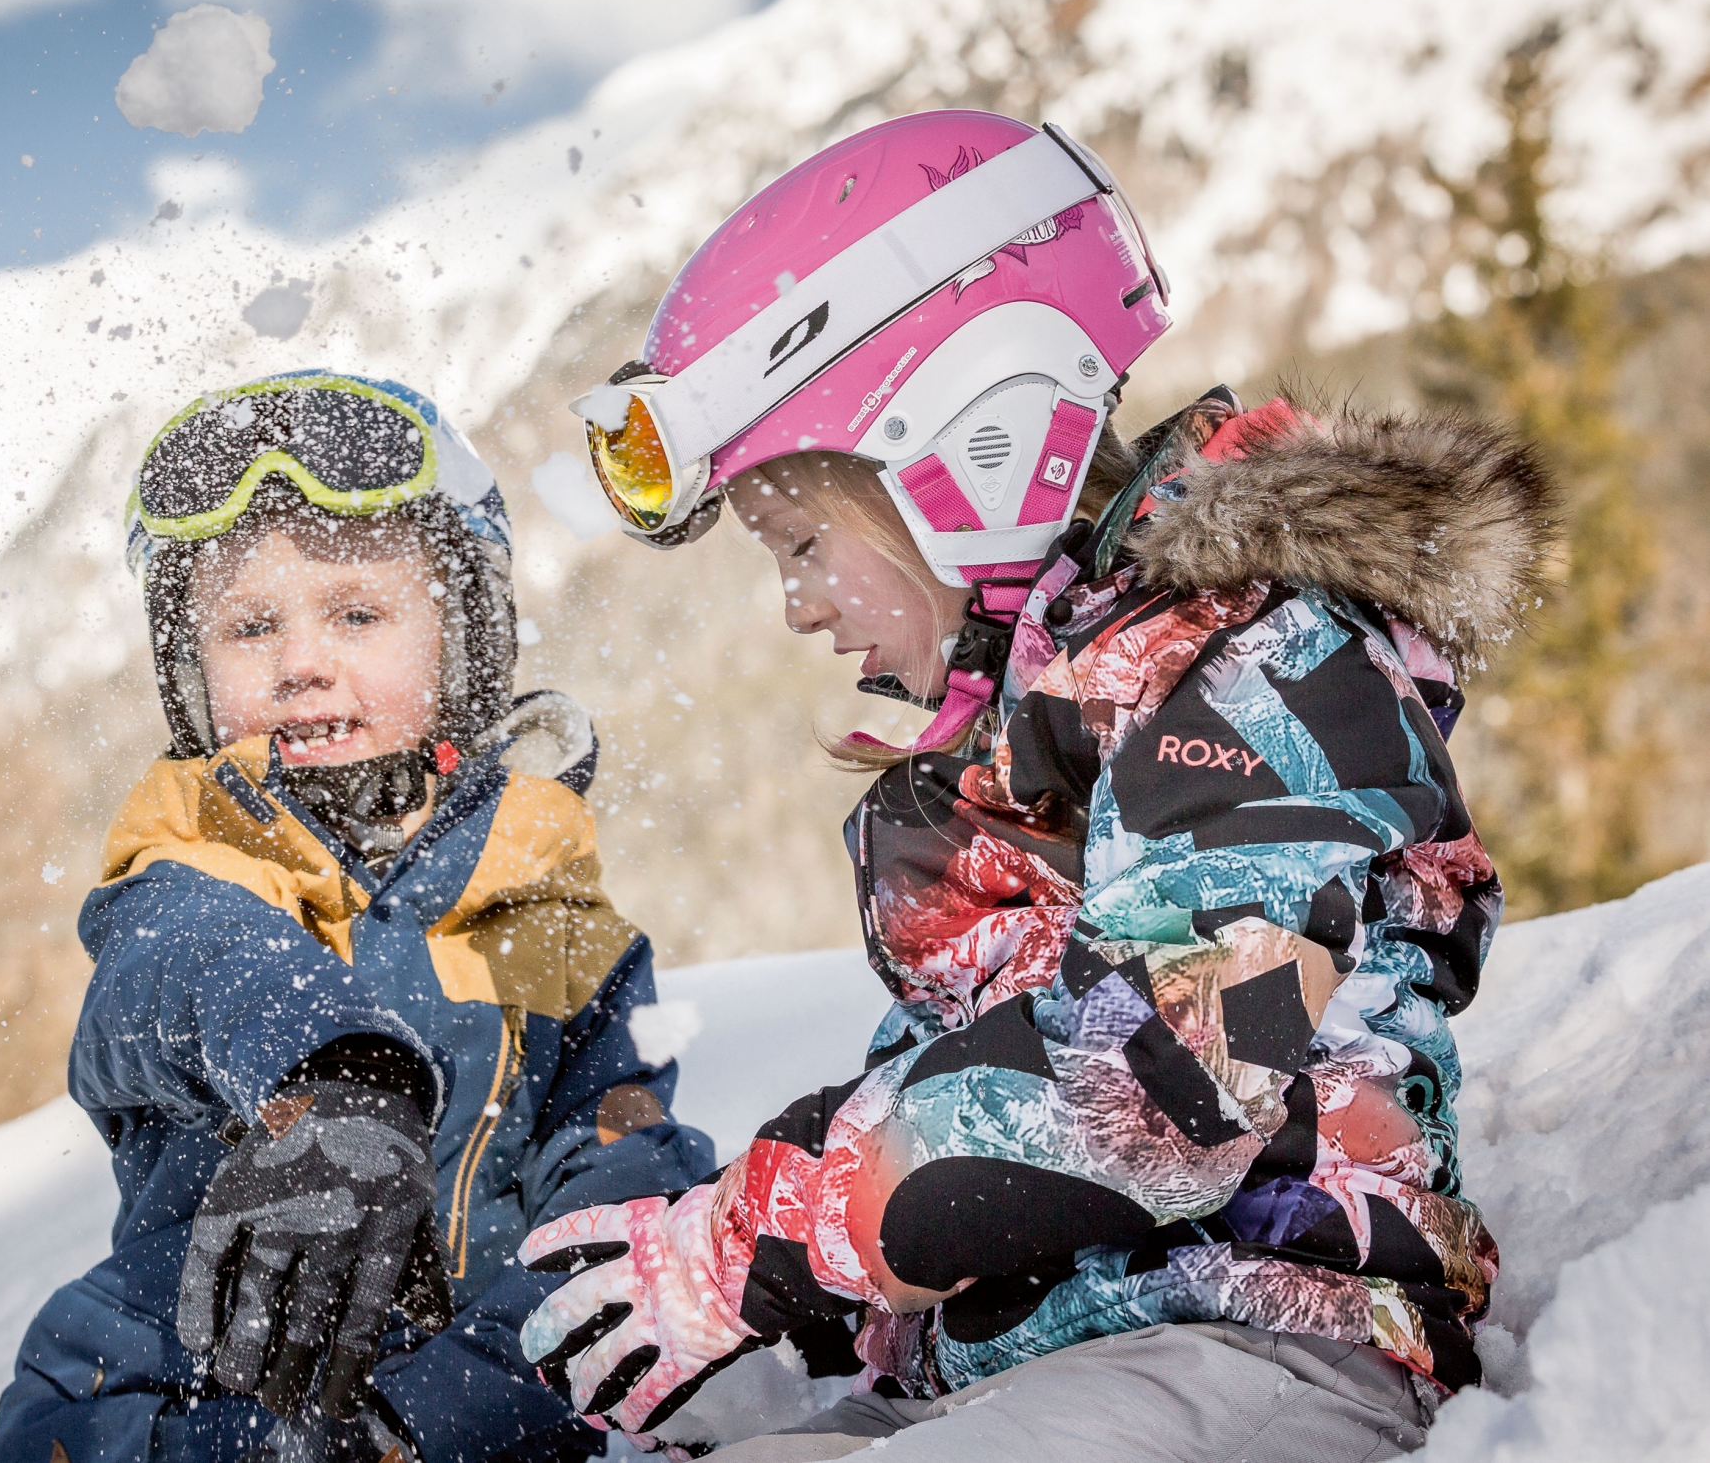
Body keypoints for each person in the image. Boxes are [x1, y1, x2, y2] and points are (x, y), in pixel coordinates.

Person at [518, 111, 1551, 1461]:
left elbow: (1170, 1081)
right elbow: (979, 1140)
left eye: (804, 539)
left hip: (1262, 1336)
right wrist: (798, 1316)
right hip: (1048, 1361)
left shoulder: (1271, 667)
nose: (798, 605)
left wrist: (767, 1236)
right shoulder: (1023, 737)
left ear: (963, 442)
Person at [0, 371, 718, 1463]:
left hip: (490, 1394)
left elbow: (619, 1180)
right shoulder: (188, 867)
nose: (298, 662)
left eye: (357, 612)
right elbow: (190, 969)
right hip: (217, 1376)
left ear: (464, 631)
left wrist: (434, 1414)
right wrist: (332, 1076)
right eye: (247, 627)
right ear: (189, 672)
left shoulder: (542, 901)